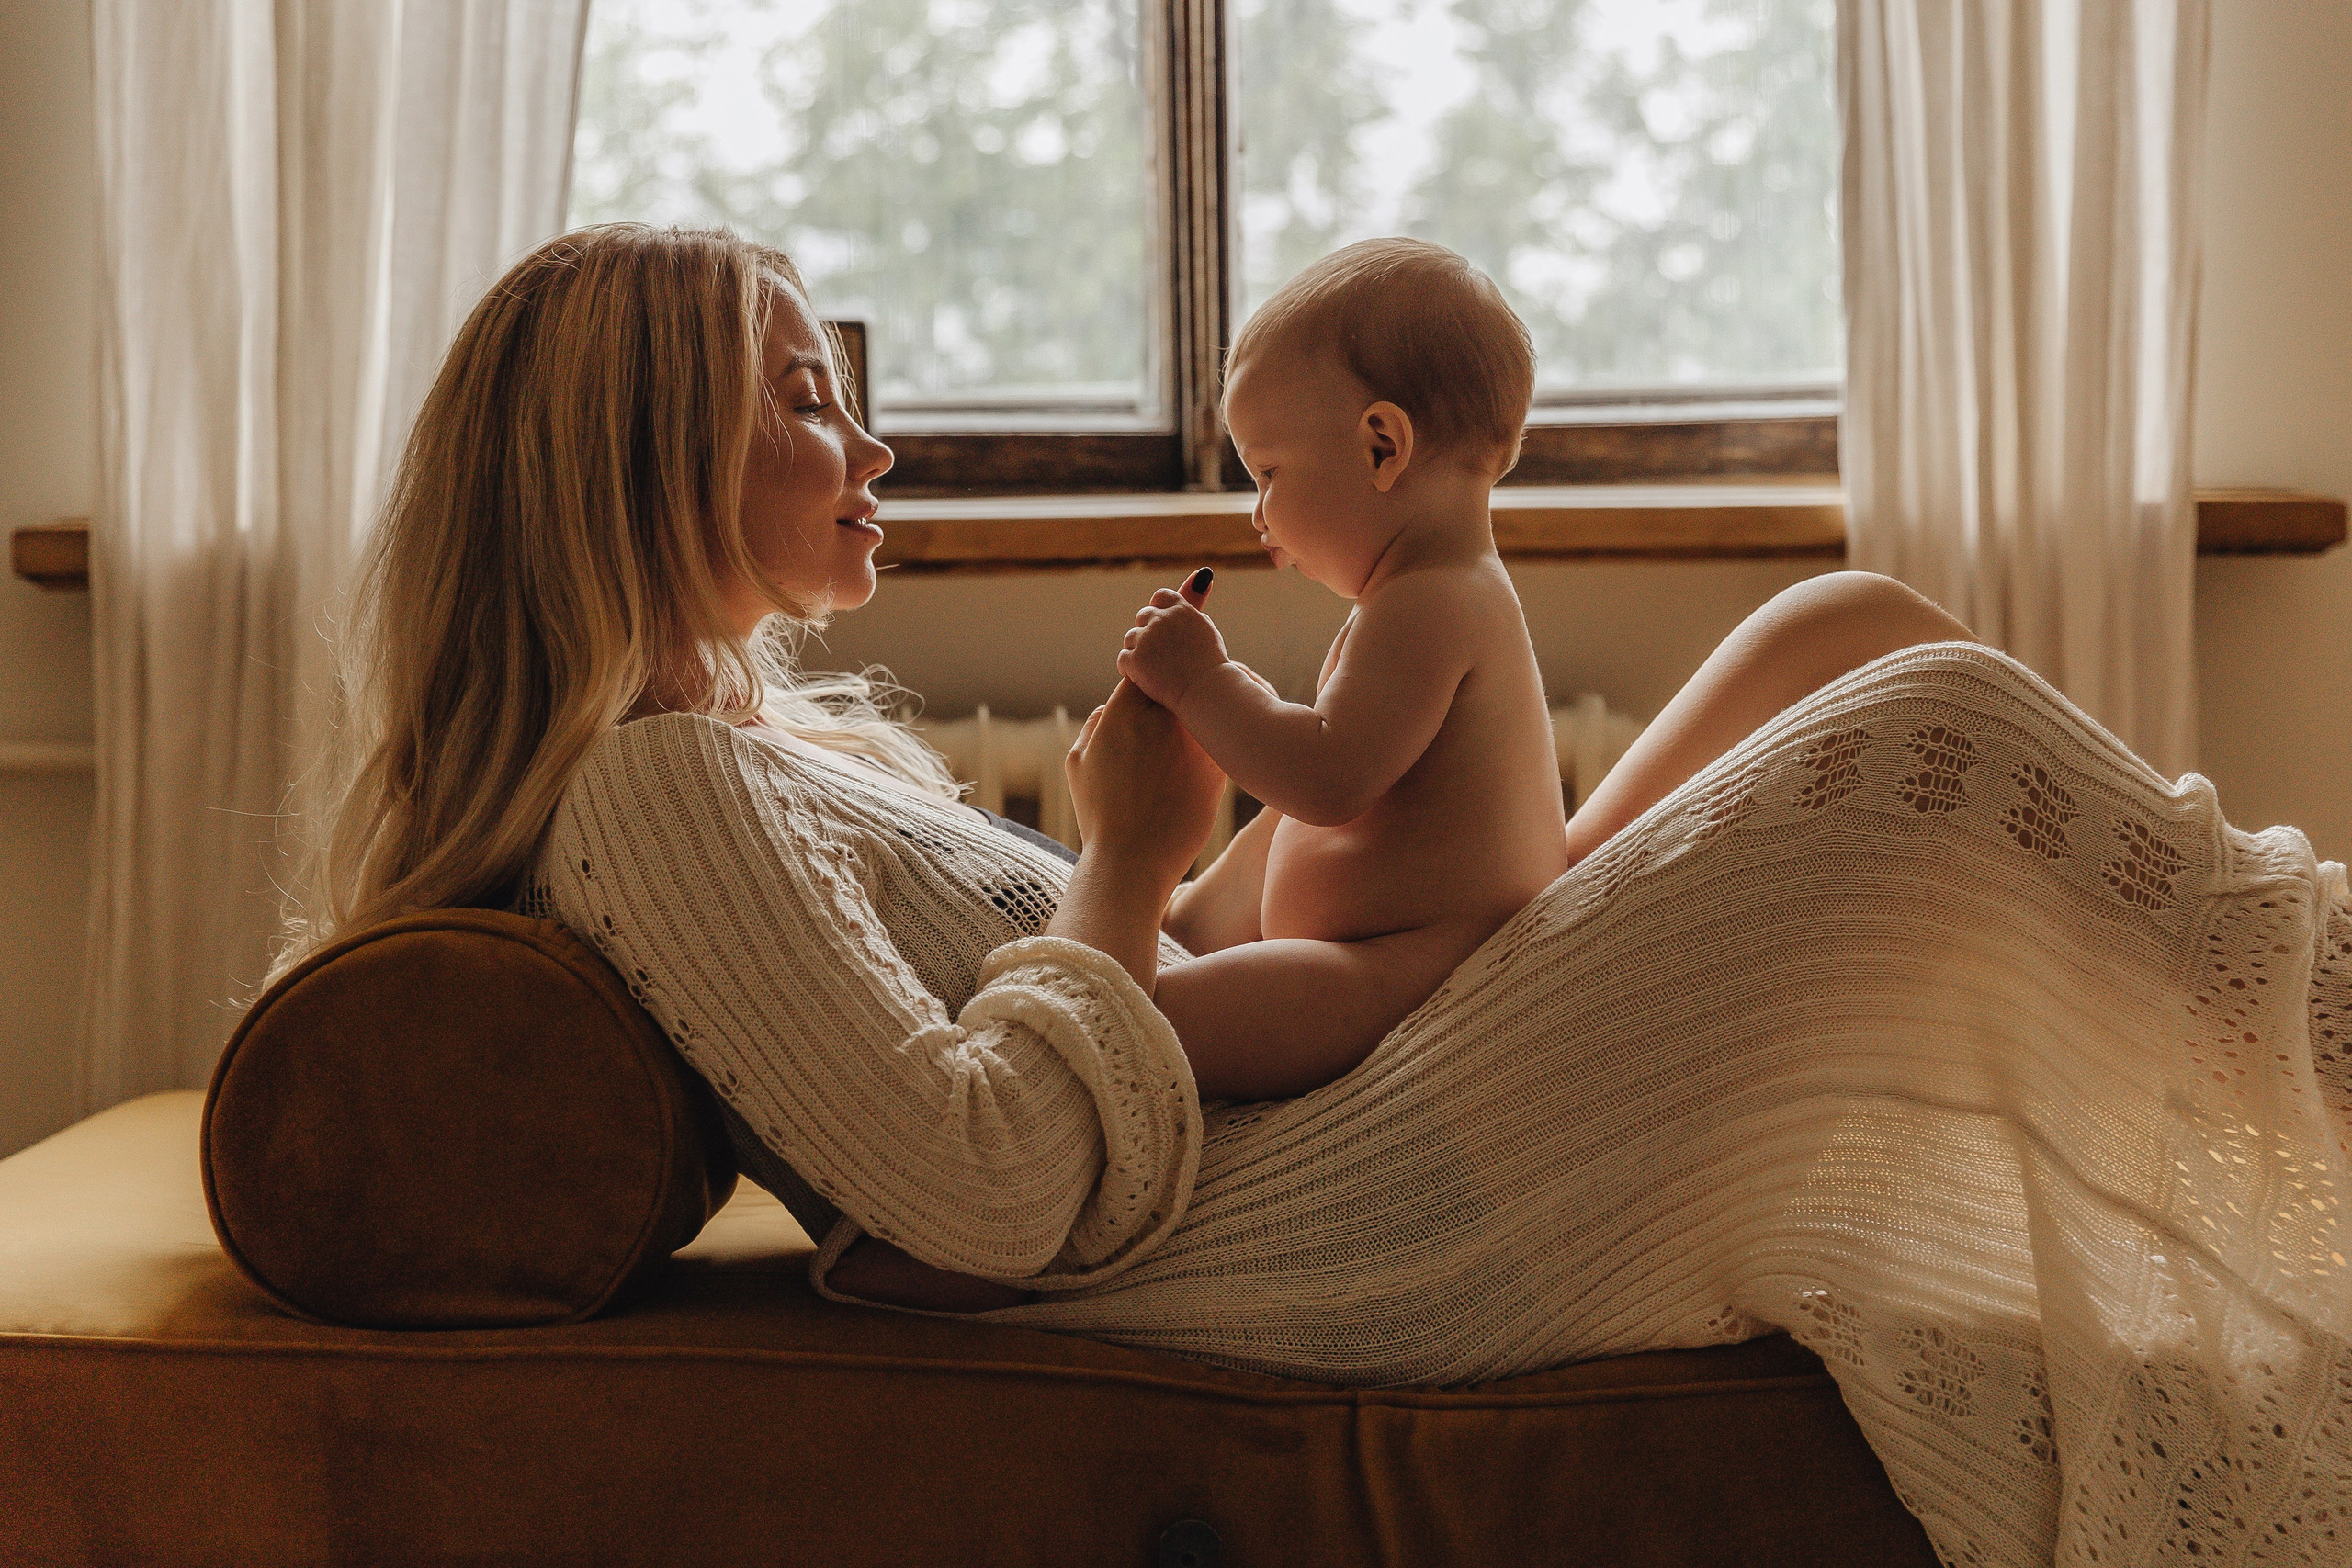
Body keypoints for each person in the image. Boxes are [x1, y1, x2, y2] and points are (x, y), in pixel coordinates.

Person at [281, 224, 2352, 1568]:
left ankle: (2299, 1043)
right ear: (629, 453)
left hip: (1352, 1078)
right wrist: (1122, 852)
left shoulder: (748, 757)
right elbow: (985, 1186)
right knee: (1944, 731)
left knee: (1850, 630)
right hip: (1335, 1207)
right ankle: (2321, 1025)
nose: (873, 443)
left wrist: (1198, 854)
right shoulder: (652, 794)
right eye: (803, 396)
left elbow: (1154, 973)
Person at [1117, 240, 1570, 1100]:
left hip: (1409, 979)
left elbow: (1326, 777)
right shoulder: (1425, 594)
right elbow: (1307, 813)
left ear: (1381, 447)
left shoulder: (1437, 602)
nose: (1256, 513)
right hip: (1366, 950)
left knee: (1145, 1028)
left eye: (1267, 471)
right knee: (1256, 856)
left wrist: (1205, 684)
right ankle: (1182, 919)